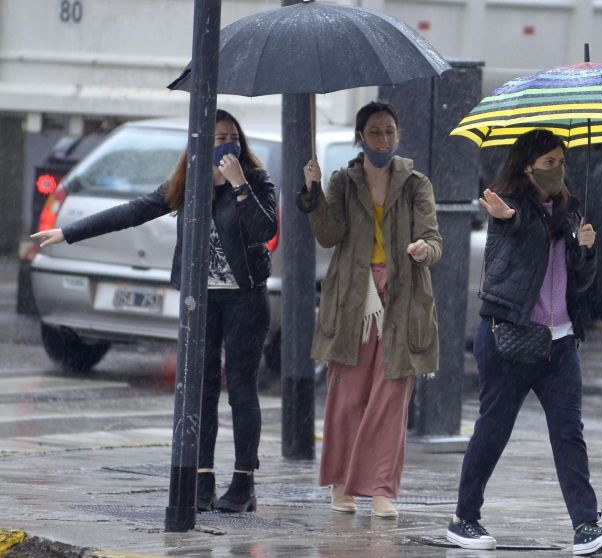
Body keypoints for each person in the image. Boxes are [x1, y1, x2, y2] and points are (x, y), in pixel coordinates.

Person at [31, 110, 275, 514]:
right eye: (217, 138)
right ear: (200, 144)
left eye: (232, 136)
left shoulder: (258, 182)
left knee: (242, 391)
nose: (226, 144)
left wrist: (239, 185)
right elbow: (133, 211)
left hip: (245, 300)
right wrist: (69, 232)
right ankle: (202, 479)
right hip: (202, 302)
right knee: (202, 392)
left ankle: (244, 482)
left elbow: (263, 230)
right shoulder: (189, 184)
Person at [445, 129, 602, 555]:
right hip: (509, 337)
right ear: (527, 167)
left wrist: (587, 250)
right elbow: (517, 236)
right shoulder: (508, 206)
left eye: (561, 161)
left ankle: (586, 525)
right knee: (493, 429)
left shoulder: (570, 208)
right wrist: (509, 219)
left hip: (560, 344)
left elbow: (580, 284)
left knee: (569, 434)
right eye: (548, 163)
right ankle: (463, 518)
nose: (557, 169)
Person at [297, 100, 441, 519]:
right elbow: (329, 235)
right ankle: (342, 485)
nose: (384, 139)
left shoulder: (416, 184)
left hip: (403, 299)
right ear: (360, 138)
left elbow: (434, 241)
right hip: (354, 299)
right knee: (348, 398)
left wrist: (422, 250)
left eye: (390, 131)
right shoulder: (343, 182)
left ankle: (380, 490)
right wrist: (313, 192)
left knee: (390, 397)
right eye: (375, 132)